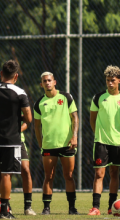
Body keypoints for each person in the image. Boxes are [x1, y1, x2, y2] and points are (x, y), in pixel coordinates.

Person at [0, 60, 32, 219]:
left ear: (1, 74)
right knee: (7, 175)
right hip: (12, 141)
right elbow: (28, 118)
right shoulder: (20, 92)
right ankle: (3, 212)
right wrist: (16, 117)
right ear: (16, 76)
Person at [88, 65, 120, 216]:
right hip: (101, 141)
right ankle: (95, 207)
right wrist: (99, 135)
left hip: (118, 142)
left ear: (119, 80)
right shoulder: (98, 97)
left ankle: (112, 206)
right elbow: (92, 119)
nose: (110, 83)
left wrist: (117, 134)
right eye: (107, 80)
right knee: (99, 174)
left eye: (113, 80)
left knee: (114, 172)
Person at [33, 72, 79, 215]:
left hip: (67, 145)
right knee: (48, 176)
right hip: (49, 146)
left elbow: (75, 118)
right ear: (41, 84)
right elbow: (36, 126)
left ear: (55, 82)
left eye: (49, 80)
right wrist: (41, 145)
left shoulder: (66, 97)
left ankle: (72, 208)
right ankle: (46, 208)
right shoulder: (39, 103)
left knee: (69, 176)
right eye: (44, 81)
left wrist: (74, 136)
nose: (47, 83)